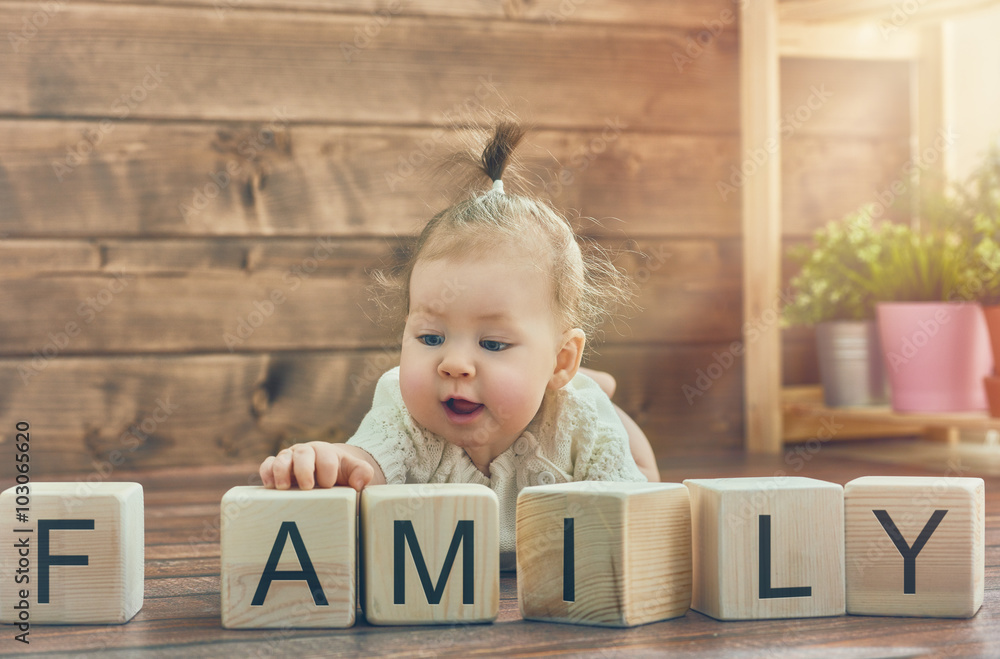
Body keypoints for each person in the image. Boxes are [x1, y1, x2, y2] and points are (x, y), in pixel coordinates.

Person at [259, 120, 659, 569]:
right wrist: (329, 460)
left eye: (492, 343)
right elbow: (367, 464)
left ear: (561, 358)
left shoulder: (580, 423)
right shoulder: (407, 417)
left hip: (578, 417)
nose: (452, 364)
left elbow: (637, 508)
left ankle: (587, 383)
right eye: (431, 338)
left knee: (637, 461)